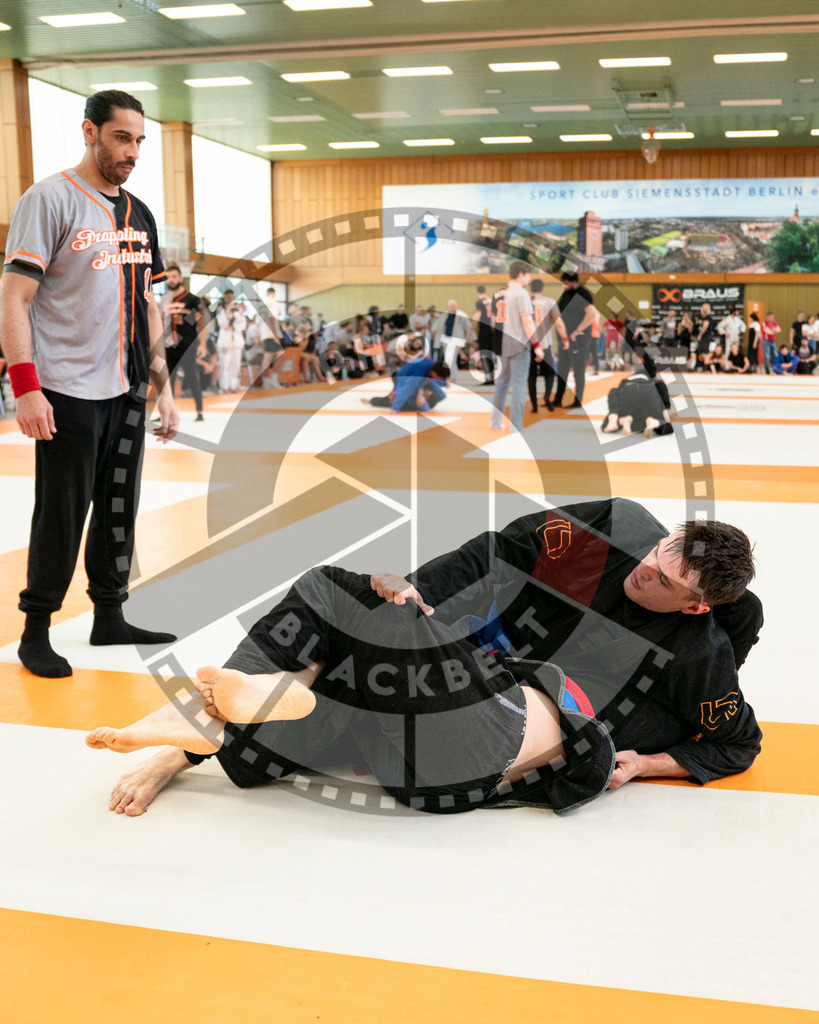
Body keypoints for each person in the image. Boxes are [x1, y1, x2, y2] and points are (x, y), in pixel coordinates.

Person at [89, 498, 763, 819]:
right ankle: (198, 733)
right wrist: (415, 591)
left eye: (664, 583)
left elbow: (739, 742)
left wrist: (645, 764)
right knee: (334, 590)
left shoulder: (695, 654)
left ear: (695, 607)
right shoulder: (612, 534)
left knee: (369, 628)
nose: (644, 573)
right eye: (656, 556)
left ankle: (214, 718)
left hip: (480, 751)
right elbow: (496, 551)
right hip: (439, 714)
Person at [0, 89, 179, 679]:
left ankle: (110, 615)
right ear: (89, 132)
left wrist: (163, 387)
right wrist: (26, 387)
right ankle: (36, 630)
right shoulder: (48, 199)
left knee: (119, 508)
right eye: (122, 138)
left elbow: (150, 305)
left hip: (127, 389)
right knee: (62, 511)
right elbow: (14, 297)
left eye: (139, 141)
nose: (132, 152)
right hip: (66, 389)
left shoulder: (139, 213)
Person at [489, 261, 541, 432]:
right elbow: (527, 321)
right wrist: (537, 344)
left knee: (502, 383)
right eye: (528, 275)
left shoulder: (497, 293)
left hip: (501, 342)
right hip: (518, 343)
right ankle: (516, 425)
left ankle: (495, 422)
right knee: (519, 383)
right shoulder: (522, 294)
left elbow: (492, 321)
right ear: (521, 275)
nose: (529, 279)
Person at [162, 263, 206, 420]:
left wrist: (203, 344)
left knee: (192, 377)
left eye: (174, 276)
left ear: (180, 278)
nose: (171, 280)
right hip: (169, 346)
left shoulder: (192, 299)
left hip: (187, 345)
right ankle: (167, 412)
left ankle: (199, 411)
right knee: (168, 381)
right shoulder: (165, 300)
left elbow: (201, 323)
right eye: (168, 277)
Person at [555, 270, 597, 407]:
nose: (564, 286)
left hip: (578, 339)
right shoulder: (566, 294)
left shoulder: (582, 294)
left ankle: (577, 400)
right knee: (562, 369)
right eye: (563, 283)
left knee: (578, 370)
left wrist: (578, 331)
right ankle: (557, 399)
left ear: (574, 282)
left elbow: (591, 313)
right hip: (565, 339)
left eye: (566, 283)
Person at [528, 278, 568, 413]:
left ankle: (534, 406)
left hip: (529, 344)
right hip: (545, 344)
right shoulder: (550, 302)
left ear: (531, 289)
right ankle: (546, 395)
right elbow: (559, 323)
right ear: (543, 288)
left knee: (531, 376)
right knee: (550, 373)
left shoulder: (526, 302)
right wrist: (565, 339)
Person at [215, 289, 247, 392]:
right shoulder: (221, 310)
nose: (229, 299)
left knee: (235, 364)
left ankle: (234, 385)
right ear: (224, 298)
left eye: (231, 297)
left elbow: (243, 324)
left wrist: (233, 327)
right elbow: (223, 324)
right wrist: (228, 312)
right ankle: (224, 386)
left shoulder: (238, 310)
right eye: (227, 298)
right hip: (225, 342)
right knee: (225, 365)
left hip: (236, 341)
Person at [472, 285, 496, 384]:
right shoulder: (491, 301)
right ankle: (492, 377)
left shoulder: (479, 303)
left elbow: (477, 316)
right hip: (492, 331)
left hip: (483, 331)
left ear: (478, 292)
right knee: (490, 355)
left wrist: (471, 329)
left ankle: (488, 378)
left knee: (484, 355)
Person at [694, 302, 716, 371]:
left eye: (704, 308)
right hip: (706, 338)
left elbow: (705, 327)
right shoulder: (705, 318)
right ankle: (710, 365)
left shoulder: (707, 317)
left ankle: (712, 364)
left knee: (703, 352)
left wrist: (700, 335)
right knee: (703, 352)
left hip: (705, 338)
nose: (702, 309)